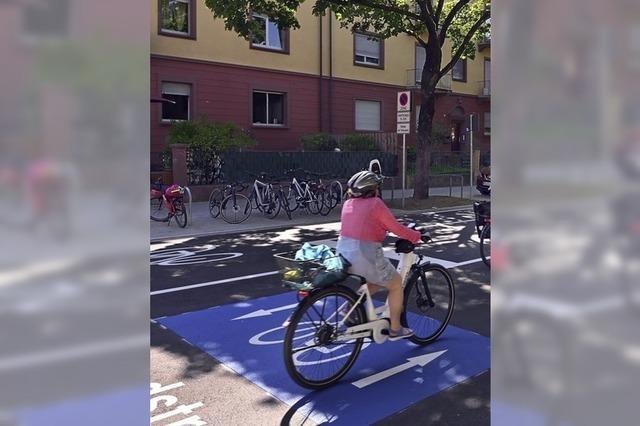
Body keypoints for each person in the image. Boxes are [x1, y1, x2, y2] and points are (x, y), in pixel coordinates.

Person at [336, 170, 422, 340]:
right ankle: (396, 329)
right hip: (365, 255)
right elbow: (396, 229)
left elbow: (366, 224)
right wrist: (416, 236)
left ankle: (350, 306)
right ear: (373, 189)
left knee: (375, 281)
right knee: (396, 284)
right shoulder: (376, 204)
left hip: (344, 254)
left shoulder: (348, 203)